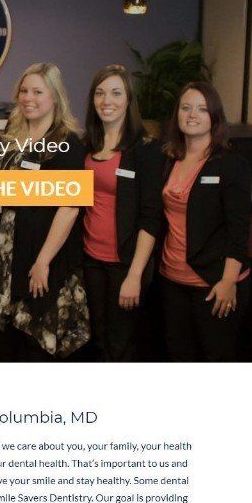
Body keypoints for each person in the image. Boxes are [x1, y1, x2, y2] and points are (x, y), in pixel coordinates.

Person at [0, 63, 90, 359]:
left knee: (41, 342)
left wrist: (43, 261)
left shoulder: (67, 143)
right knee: (14, 342)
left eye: (38, 91)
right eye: (24, 90)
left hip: (45, 256)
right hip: (11, 253)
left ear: (55, 97)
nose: (28, 97)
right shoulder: (12, 135)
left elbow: (69, 208)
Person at [158, 81, 252, 362]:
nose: (192, 115)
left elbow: (239, 231)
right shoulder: (167, 158)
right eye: (186, 108)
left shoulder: (232, 165)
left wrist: (227, 281)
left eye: (201, 109)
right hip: (171, 279)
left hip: (214, 284)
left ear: (214, 116)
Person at [80, 65, 163, 361]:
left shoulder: (145, 150)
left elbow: (151, 218)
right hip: (91, 261)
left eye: (116, 93)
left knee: (122, 347)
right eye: (100, 93)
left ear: (129, 100)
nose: (107, 101)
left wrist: (135, 275)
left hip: (124, 266)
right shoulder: (86, 146)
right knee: (99, 342)